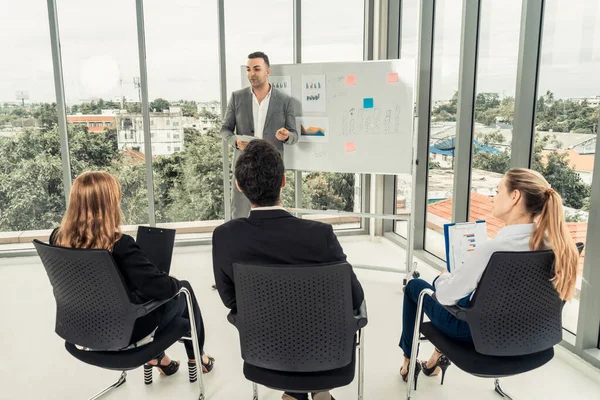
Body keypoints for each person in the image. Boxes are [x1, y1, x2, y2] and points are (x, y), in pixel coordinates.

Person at [398, 168, 579, 386]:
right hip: (529, 333)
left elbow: (445, 297)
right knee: (469, 295)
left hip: (479, 335)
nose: (493, 197)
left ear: (515, 197)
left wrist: (442, 278)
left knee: (415, 286)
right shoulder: (559, 247)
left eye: (497, 190)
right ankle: (436, 359)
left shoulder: (494, 249)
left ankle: (407, 363)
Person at [212, 140, 364, 400]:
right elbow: (355, 297)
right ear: (283, 181)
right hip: (327, 355)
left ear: (238, 185)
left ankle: (295, 394)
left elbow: (231, 300)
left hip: (265, 355)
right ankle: (318, 391)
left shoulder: (225, 237)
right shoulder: (319, 234)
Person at [50, 171, 215, 380]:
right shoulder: (119, 244)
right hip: (124, 334)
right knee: (184, 289)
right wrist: (168, 279)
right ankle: (198, 357)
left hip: (81, 331)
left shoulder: (58, 238)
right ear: (108, 205)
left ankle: (160, 360)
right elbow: (163, 289)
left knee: (139, 291)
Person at [221, 51, 298, 220]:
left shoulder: (285, 101)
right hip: (244, 166)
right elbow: (225, 129)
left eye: (256, 69)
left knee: (271, 218)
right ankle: (240, 246)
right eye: (248, 70)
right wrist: (235, 142)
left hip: (271, 168)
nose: (251, 74)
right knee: (239, 216)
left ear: (267, 71)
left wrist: (286, 136)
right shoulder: (236, 97)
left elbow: (294, 135)